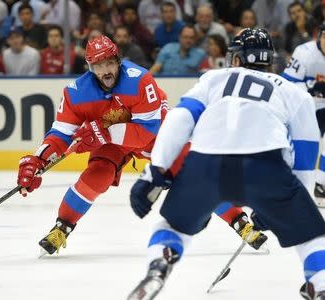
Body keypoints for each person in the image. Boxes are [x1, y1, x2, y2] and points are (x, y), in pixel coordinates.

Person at [16, 34, 267, 256]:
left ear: (118, 61)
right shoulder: (75, 93)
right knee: (97, 175)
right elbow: (60, 133)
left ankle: (239, 221)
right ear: (90, 67)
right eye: (99, 65)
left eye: (110, 63)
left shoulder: (139, 80)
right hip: (113, 140)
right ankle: (62, 226)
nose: (106, 70)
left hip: (153, 132)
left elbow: (146, 132)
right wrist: (38, 160)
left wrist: (102, 134)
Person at [127, 28, 325, 300]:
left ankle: (159, 267)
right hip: (265, 167)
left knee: (171, 227)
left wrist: (155, 169)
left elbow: (180, 118)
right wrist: (287, 207)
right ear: (270, 61)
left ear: (235, 60)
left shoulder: (213, 79)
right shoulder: (294, 94)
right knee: (311, 236)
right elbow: (305, 157)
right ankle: (320, 283)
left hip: (206, 163)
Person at [282, 23, 325, 206]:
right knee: (298, 149)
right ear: (320, 36)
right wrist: (310, 88)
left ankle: (321, 184)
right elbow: (287, 84)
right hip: (305, 107)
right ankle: (289, 185)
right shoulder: (303, 52)